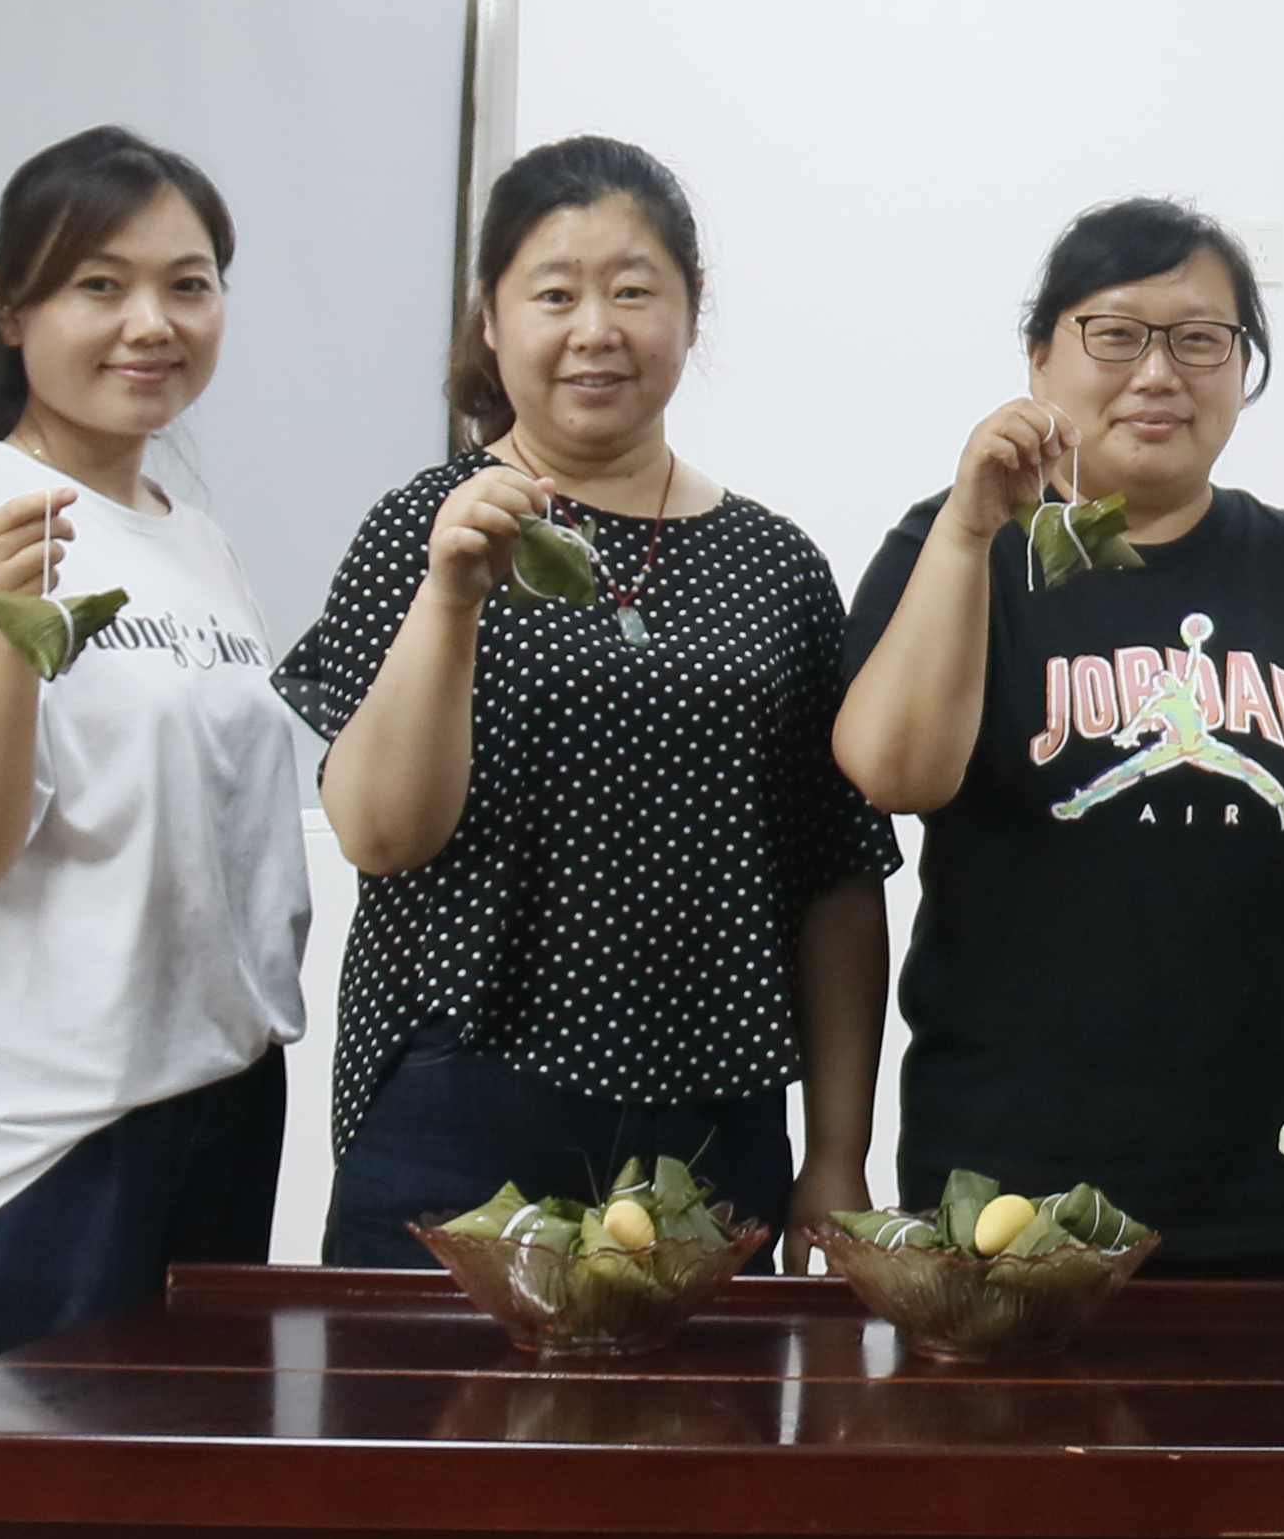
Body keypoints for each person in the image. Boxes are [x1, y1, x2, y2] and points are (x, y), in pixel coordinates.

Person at [284, 138, 896, 1259]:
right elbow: (378, 833)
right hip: (460, 1094)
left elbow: (836, 879)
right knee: (413, 1384)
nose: (595, 329)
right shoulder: (422, 527)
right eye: (555, 294)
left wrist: (838, 1149)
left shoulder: (777, 565)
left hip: (715, 1115)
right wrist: (452, 594)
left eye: (633, 291)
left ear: (692, 309)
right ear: (491, 318)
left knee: (701, 1389)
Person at [0, 127, 311, 1388]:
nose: (151, 322)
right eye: (101, 283)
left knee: (173, 1514)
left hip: (207, 1118)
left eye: (188, 284)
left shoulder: (198, 545)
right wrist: (9, 629)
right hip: (18, 1154)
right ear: (10, 306)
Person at [836, 197, 1284, 1275]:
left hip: (1280, 1166)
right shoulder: (953, 548)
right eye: (1115, 333)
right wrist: (969, 527)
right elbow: (893, 772)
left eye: (1200, 339)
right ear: (1039, 357)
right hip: (1008, 1174)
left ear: (1244, 365)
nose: (1157, 373)